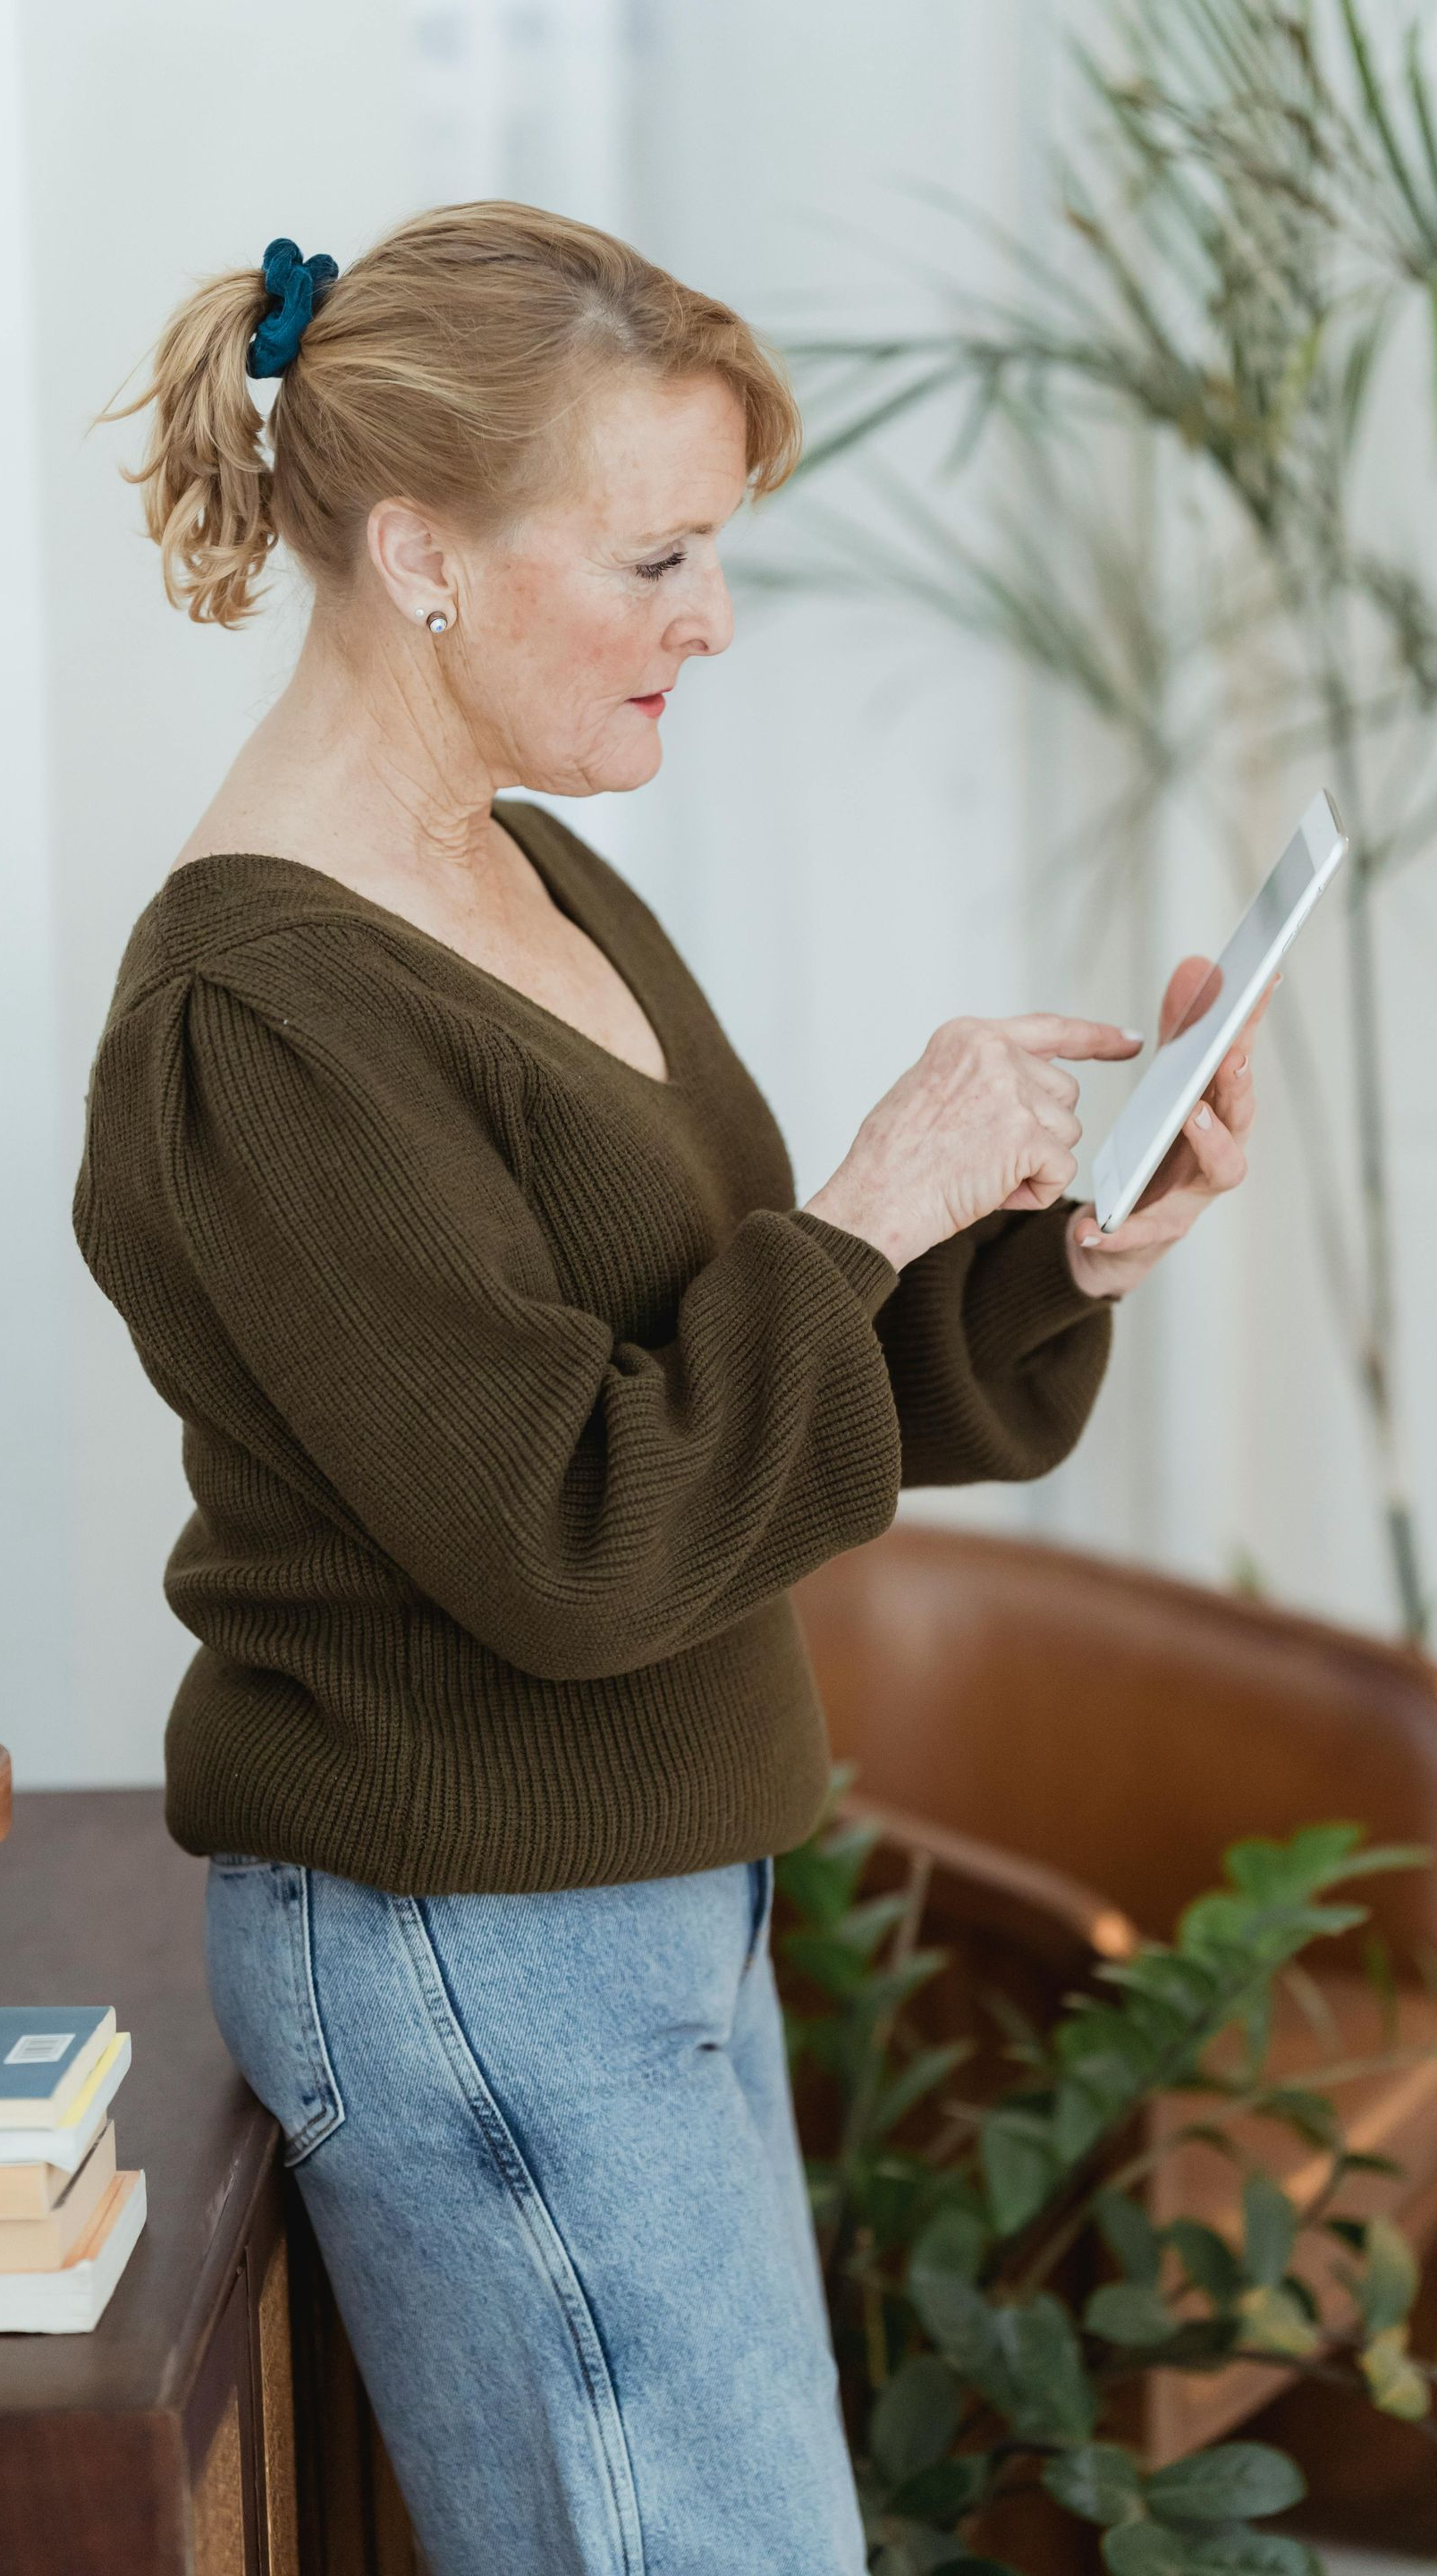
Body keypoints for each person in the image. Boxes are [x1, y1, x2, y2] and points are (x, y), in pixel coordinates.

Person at [74, 206, 1267, 2576]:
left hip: (636, 1898)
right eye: (657, 558)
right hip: (474, 1939)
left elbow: (718, 1400)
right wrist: (852, 1216)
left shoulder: (526, 878)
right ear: (419, 554)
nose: (710, 620)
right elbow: (576, 1536)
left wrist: (1040, 1247)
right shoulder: (261, 1014)